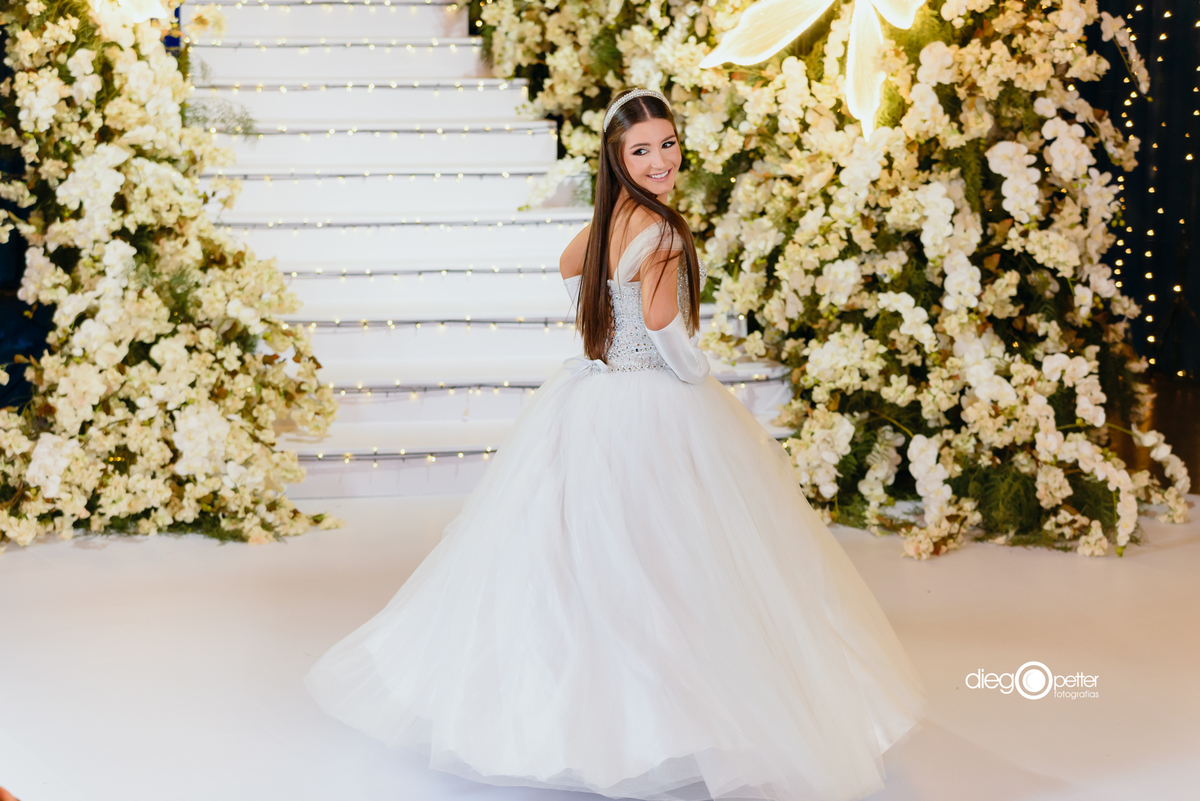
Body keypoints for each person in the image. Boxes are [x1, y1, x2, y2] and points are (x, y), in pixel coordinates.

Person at [305, 88, 925, 801]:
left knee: (599, 554)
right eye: (643, 150)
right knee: (672, 558)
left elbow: (570, 265)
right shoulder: (663, 232)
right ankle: (666, 719)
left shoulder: (611, 219)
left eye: (667, 144)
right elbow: (664, 326)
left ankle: (598, 718)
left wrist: (612, 255)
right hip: (649, 398)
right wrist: (699, 375)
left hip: (592, 396)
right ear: (617, 157)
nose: (661, 160)